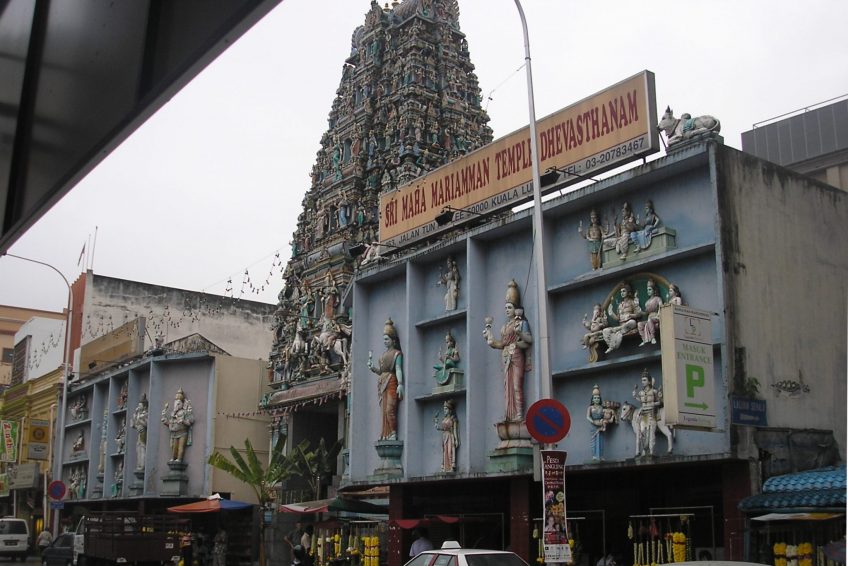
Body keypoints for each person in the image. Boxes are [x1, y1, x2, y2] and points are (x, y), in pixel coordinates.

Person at [483, 280, 532, 422]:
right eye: (505, 307)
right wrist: (491, 340)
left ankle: (520, 414)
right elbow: (501, 344)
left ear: (515, 308)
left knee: (516, 385)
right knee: (507, 388)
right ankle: (509, 414)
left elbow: (529, 340)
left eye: (509, 307)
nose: (507, 310)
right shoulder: (504, 327)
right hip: (505, 358)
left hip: (516, 356)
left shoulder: (521, 323)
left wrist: (519, 333)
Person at [367, 319, 404, 441]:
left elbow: (398, 369)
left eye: (387, 339)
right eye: (384, 339)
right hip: (382, 383)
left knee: (389, 409)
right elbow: (381, 372)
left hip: (392, 382)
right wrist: (373, 368)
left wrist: (400, 384)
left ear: (393, 340)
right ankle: (386, 434)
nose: (385, 342)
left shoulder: (397, 354)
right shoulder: (382, 355)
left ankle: (393, 432)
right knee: (383, 411)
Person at [601, 283, 641, 354]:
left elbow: (638, 314)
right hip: (621, 326)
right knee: (605, 331)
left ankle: (616, 336)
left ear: (628, 292)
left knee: (632, 322)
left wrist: (630, 315)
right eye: (621, 291)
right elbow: (617, 318)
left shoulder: (632, 302)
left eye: (624, 291)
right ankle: (612, 345)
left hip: (629, 324)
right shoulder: (620, 305)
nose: (622, 293)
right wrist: (611, 313)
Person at [633, 369, 663, 456]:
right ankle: (645, 449)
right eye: (642, 380)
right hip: (643, 415)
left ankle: (651, 451)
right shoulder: (641, 392)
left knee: (651, 433)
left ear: (649, 381)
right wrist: (635, 396)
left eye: (644, 380)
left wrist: (653, 403)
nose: (643, 382)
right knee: (642, 432)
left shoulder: (654, 391)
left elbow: (659, 402)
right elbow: (641, 401)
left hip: (651, 414)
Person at [161, 388, 195, 463]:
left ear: (182, 404)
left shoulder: (184, 412)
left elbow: (190, 421)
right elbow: (170, 424)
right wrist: (165, 421)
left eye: (178, 403)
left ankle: (179, 459)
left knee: (180, 447)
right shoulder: (173, 413)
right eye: (175, 403)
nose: (176, 405)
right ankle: (173, 458)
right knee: (173, 447)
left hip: (182, 433)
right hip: (174, 433)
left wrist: (183, 421)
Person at [434, 400, 459, 472]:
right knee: (445, 452)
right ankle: (445, 467)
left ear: (450, 410)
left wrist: (456, 439)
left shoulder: (453, 419)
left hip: (450, 436)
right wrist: (436, 421)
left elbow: (454, 429)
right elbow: (440, 428)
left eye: (446, 409)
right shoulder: (444, 419)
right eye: (444, 409)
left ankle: (451, 466)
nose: (444, 410)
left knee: (449, 451)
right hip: (444, 436)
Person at [638, 279, 664, 346]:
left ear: (654, 290)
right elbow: (646, 313)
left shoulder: (658, 298)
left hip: (656, 317)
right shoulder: (647, 302)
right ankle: (644, 339)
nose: (648, 291)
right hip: (649, 318)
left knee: (649, 320)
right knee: (639, 324)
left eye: (650, 289)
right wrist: (640, 311)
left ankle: (653, 337)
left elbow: (661, 307)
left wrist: (658, 314)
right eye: (647, 290)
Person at [586, 385, 607, 461]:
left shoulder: (602, 407)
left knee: (601, 440)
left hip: (601, 425)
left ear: (600, 399)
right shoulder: (590, 408)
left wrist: (602, 421)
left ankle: (601, 455)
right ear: (592, 399)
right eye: (595, 398)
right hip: (593, 425)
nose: (596, 399)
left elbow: (605, 416)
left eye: (598, 398)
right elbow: (588, 417)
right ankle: (594, 455)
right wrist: (593, 422)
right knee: (593, 441)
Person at [131, 394, 149, 470]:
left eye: (140, 405)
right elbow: (133, 425)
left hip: (143, 432)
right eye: (138, 405)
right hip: (139, 432)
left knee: (142, 448)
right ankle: (139, 464)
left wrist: (140, 420)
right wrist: (135, 417)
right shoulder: (138, 414)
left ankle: (142, 465)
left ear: (144, 407)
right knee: (138, 448)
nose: (138, 407)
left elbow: (147, 424)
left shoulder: (145, 414)